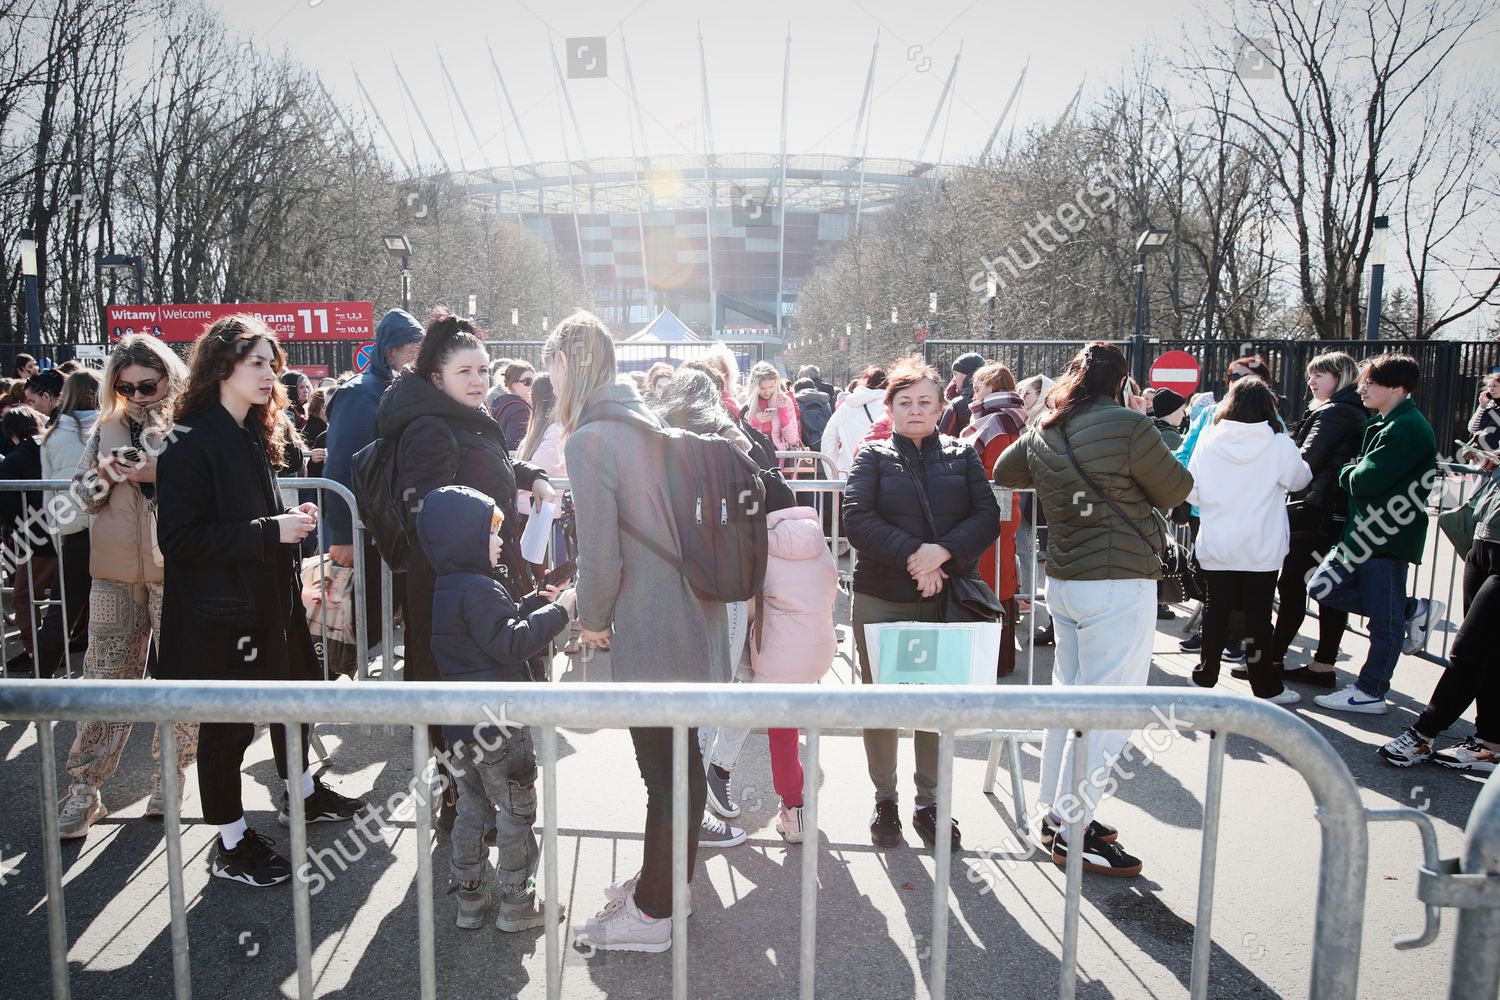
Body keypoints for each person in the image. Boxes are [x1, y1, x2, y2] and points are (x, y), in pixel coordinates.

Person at [548, 312, 734, 953]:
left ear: (568, 366)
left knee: (663, 770)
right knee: (678, 765)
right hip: (695, 613)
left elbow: (601, 557)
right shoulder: (651, 421)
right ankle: (663, 888)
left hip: (652, 624)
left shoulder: (592, 438)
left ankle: (655, 914)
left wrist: (592, 623)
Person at [156, 316, 365, 886]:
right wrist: (269, 531)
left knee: (295, 697)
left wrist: (290, 524)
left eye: (273, 363)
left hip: (273, 605)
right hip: (222, 616)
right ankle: (229, 841)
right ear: (222, 367)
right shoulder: (190, 439)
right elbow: (177, 540)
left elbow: (254, 521)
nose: (270, 373)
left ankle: (301, 793)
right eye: (257, 362)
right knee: (226, 729)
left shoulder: (252, 431)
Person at [995, 342, 1193, 878]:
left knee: (1071, 698)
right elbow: (1177, 489)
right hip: (1118, 580)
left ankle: (1057, 812)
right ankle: (1071, 822)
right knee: (1109, 708)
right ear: (1122, 383)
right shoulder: (1130, 427)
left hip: (1064, 580)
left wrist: (1043, 417)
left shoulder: (1048, 427)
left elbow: (1009, 471)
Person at [378, 317, 558, 825]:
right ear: (437, 378)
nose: (478, 380)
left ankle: (475, 816)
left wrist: (533, 476)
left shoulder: (463, 419)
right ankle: (463, 819)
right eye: (464, 371)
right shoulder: (430, 427)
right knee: (459, 703)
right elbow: (431, 515)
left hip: (473, 583)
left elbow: (485, 466)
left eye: (483, 369)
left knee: (480, 701)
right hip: (446, 592)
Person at [843, 358, 1000, 852]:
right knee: (883, 703)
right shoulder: (872, 457)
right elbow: (856, 519)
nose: (915, 410)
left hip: (944, 600)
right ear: (889, 407)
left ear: (941, 407)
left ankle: (930, 803)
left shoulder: (963, 454)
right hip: (883, 597)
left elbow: (986, 516)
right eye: (904, 402)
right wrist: (916, 556)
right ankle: (884, 798)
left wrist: (943, 553)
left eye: (924, 402)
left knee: (936, 703)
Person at [416, 485, 574, 930]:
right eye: (491, 534)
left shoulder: (450, 586)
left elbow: (486, 633)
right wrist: (560, 612)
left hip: (463, 731)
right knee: (516, 813)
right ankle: (517, 902)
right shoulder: (481, 587)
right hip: (501, 728)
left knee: (471, 810)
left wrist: (529, 603)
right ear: (463, 538)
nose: (501, 542)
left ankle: (469, 897)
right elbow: (510, 642)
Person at [56, 336, 193, 838]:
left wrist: (158, 473)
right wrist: (106, 475)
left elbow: (207, 491)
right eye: (125, 385)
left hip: (176, 573)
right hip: (112, 575)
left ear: (168, 379)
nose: (137, 394)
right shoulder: (105, 428)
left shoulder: (187, 426)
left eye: (147, 384)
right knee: (104, 681)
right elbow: (76, 501)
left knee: (179, 679)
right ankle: (84, 789)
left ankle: (170, 777)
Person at [652, 369, 759, 838]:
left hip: (667, 577)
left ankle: (690, 802)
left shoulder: (654, 437)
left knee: (681, 691)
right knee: (720, 683)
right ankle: (698, 803)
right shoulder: (731, 437)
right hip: (723, 577)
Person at [1309, 353, 1440, 716]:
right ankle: (1411, 610)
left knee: (1385, 624)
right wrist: (1354, 472)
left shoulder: (1406, 427)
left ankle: (1370, 691)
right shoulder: (1388, 423)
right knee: (1322, 586)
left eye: (1371, 382)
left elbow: (1365, 480)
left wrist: (1349, 471)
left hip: (1385, 536)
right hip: (1363, 534)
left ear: (1397, 388)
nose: (1362, 387)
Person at [1185, 376, 1311, 702]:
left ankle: (1205, 675)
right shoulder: (1279, 443)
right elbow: (1299, 480)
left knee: (1216, 611)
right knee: (1258, 617)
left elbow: (1193, 490)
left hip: (1217, 540)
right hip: (1262, 543)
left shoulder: (1210, 440)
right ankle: (1264, 686)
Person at [1379, 465, 1499, 773]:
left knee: (1468, 651)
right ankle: (1489, 745)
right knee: (1489, 651)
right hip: (1484, 537)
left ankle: (1422, 734)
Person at [1260, 352, 1366, 689]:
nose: (1312, 381)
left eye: (1320, 375)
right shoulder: (1344, 410)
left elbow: (1304, 462)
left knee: (1293, 585)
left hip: (1314, 510)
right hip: (1328, 512)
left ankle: (1273, 660)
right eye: (1311, 375)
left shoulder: (1334, 413)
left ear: (1341, 377)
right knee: (1323, 588)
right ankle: (1321, 664)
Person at [322, 308, 423, 651]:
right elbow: (338, 469)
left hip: (395, 529)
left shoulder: (405, 390)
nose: (418, 355)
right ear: (389, 349)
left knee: (377, 626)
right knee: (353, 632)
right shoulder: (358, 394)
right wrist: (341, 535)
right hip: (365, 533)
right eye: (411, 347)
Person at [749, 494, 839, 843]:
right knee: (799, 726)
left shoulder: (760, 544)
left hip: (779, 652)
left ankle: (794, 810)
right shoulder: (816, 537)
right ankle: (796, 809)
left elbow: (750, 605)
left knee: (783, 737)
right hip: (819, 647)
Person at [959, 363, 1027, 677]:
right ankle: (998, 657)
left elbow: (997, 470)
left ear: (991, 386)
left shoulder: (998, 421)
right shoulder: (1003, 418)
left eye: (977, 387)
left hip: (993, 510)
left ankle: (995, 659)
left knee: (993, 579)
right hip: (996, 508)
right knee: (997, 578)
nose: (973, 394)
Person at [36, 370, 100, 678]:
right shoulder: (110, 428)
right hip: (109, 527)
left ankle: (39, 682)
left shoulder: (51, 435)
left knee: (62, 611)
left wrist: (57, 527)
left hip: (74, 530)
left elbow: (48, 486)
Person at [0, 405, 56, 672]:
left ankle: (38, 653)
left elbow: (7, 506)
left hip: (35, 539)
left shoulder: (15, 461)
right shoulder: (55, 445)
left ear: (11, 434)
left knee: (23, 597)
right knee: (69, 596)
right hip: (72, 533)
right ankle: (55, 648)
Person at [819, 365, 887, 476]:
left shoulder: (846, 408)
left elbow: (828, 439)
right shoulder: (894, 407)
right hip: (887, 475)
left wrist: (833, 474)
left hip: (850, 473)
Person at [743, 360, 801, 454]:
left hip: (779, 456)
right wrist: (754, 421)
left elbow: (793, 440)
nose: (767, 392)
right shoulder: (743, 400)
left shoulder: (785, 401)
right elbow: (738, 434)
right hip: (753, 453)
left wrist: (783, 413)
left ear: (776, 384)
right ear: (754, 387)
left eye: (771, 387)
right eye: (762, 388)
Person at [488, 360, 535, 452]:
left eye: (534, 381)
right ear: (514, 384)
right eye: (528, 382)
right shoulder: (520, 409)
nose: (532, 386)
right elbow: (515, 446)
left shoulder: (499, 402)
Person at [938, 352, 986, 437]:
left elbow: (942, 439)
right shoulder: (993, 401)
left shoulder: (957, 405)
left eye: (955, 374)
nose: (954, 379)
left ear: (967, 375)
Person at [793, 377, 833, 452]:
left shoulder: (796, 403)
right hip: (827, 446)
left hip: (806, 449)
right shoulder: (825, 402)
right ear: (814, 388)